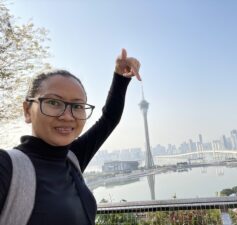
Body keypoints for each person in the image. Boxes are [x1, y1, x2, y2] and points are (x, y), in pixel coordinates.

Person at [0, 49, 141, 225]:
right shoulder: (7, 167)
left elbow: (109, 119)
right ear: (28, 110)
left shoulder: (72, 158)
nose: (67, 116)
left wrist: (121, 76)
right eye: (53, 102)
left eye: (77, 106)